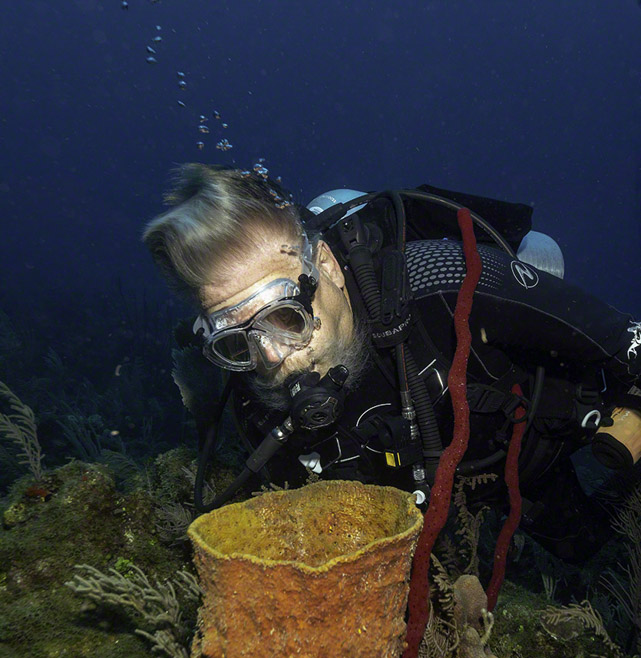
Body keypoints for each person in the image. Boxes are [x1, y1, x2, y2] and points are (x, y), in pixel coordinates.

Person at [142, 164, 641, 561]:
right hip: (462, 493)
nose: (271, 358)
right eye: (237, 344)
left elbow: (623, 339)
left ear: (331, 270)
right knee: (582, 547)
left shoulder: (445, 283)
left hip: (537, 434)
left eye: (286, 319)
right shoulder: (255, 398)